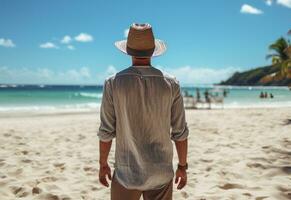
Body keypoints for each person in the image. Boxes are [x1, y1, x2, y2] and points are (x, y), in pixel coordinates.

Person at [97, 23, 189, 200]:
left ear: (129, 51)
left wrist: (103, 164)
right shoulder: (171, 83)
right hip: (160, 172)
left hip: (127, 173)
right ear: (153, 50)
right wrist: (182, 166)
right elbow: (180, 131)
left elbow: (106, 131)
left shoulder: (113, 83)